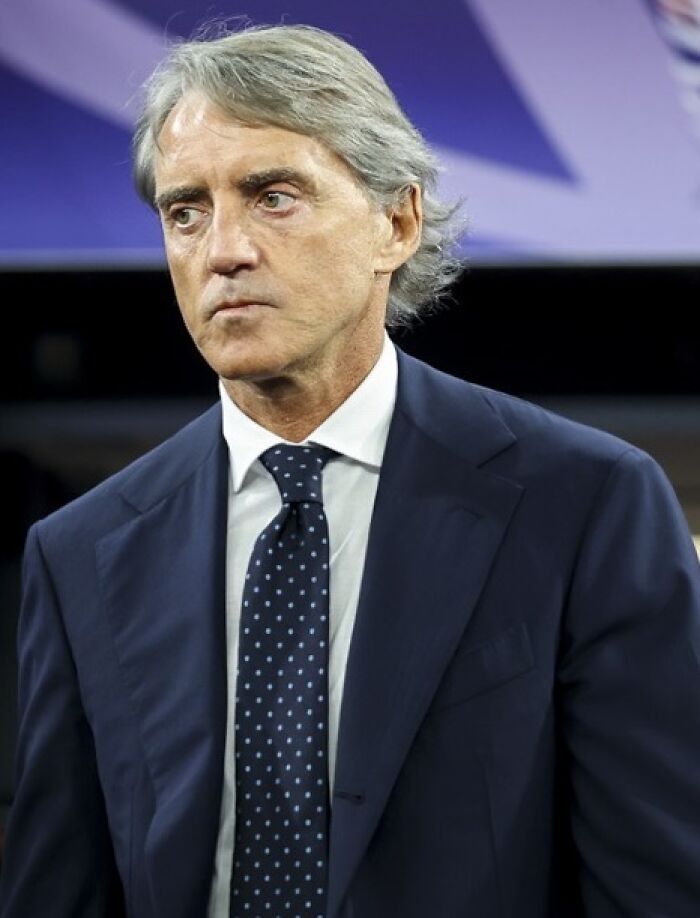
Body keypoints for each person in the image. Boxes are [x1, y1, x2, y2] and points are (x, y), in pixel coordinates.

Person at [2, 22, 700, 918]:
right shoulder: (80, 553)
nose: (223, 251)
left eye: (274, 196)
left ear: (396, 223)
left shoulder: (587, 505)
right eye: (186, 212)